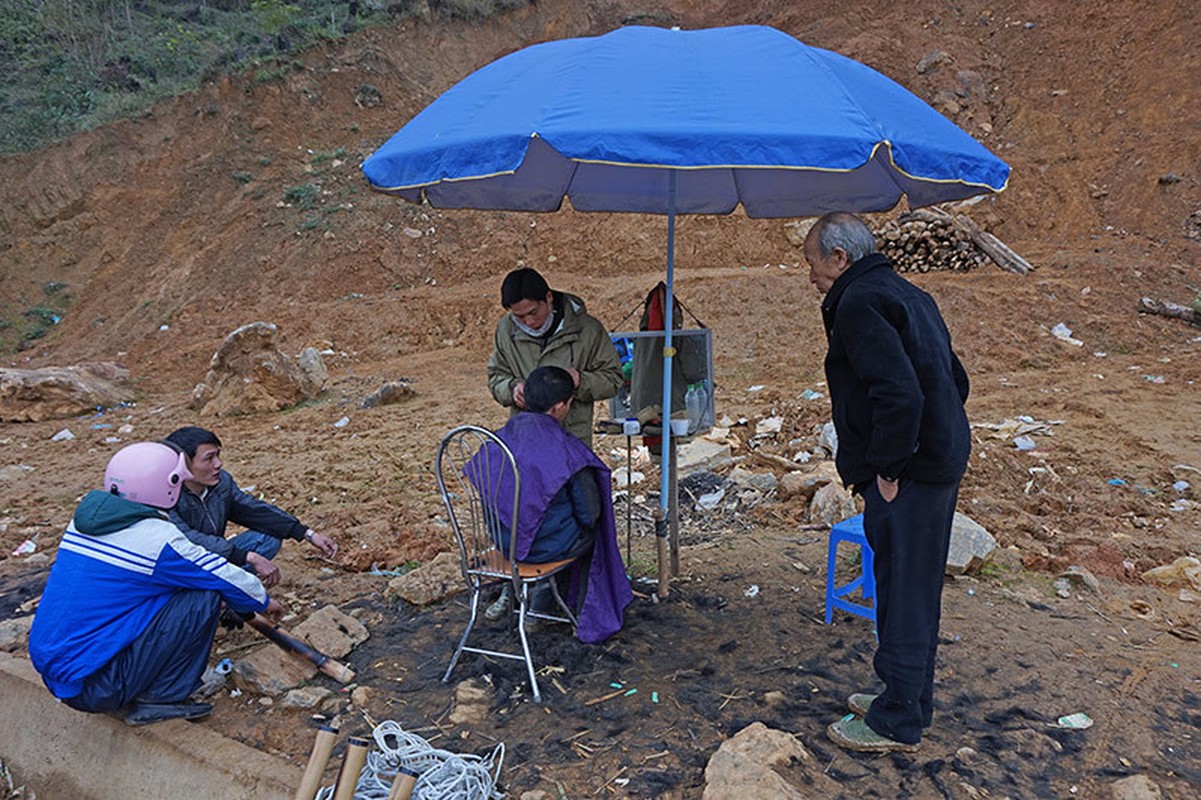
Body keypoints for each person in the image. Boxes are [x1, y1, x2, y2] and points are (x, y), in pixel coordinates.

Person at [803, 212, 971, 753]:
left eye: (812, 265)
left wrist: (892, 468)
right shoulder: (907, 293)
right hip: (936, 461)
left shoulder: (858, 303)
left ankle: (896, 718)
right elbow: (954, 377)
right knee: (914, 587)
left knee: (901, 589)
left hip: (912, 472)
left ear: (839, 258)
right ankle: (909, 697)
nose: (810, 277)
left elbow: (899, 393)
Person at [29, 441, 284, 726]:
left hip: (59, 672)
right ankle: (159, 698)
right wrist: (262, 601)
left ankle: (141, 685)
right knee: (204, 594)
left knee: (172, 586)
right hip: (96, 685)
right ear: (167, 485)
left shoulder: (82, 524)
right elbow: (223, 575)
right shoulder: (156, 539)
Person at [474, 366, 633, 642]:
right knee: (589, 537)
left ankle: (520, 597)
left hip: (503, 543)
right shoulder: (567, 449)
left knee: (546, 523)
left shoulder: (496, 441)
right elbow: (590, 513)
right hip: (544, 550)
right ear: (560, 406)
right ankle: (566, 612)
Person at [164, 426, 337, 588]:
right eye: (209, 458)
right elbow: (186, 540)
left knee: (268, 538)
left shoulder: (221, 482)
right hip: (181, 567)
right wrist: (247, 557)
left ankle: (229, 591)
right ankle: (223, 593)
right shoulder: (164, 494)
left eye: (218, 455)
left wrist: (306, 533)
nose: (218, 464)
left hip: (216, 556)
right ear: (183, 464)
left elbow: (251, 509)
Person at [487, 266, 623, 447]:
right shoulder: (506, 330)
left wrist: (581, 381)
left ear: (548, 298)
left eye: (533, 312)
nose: (529, 322)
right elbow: (496, 376)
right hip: (525, 441)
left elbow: (613, 379)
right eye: (519, 316)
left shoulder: (587, 330)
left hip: (572, 442)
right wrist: (512, 389)